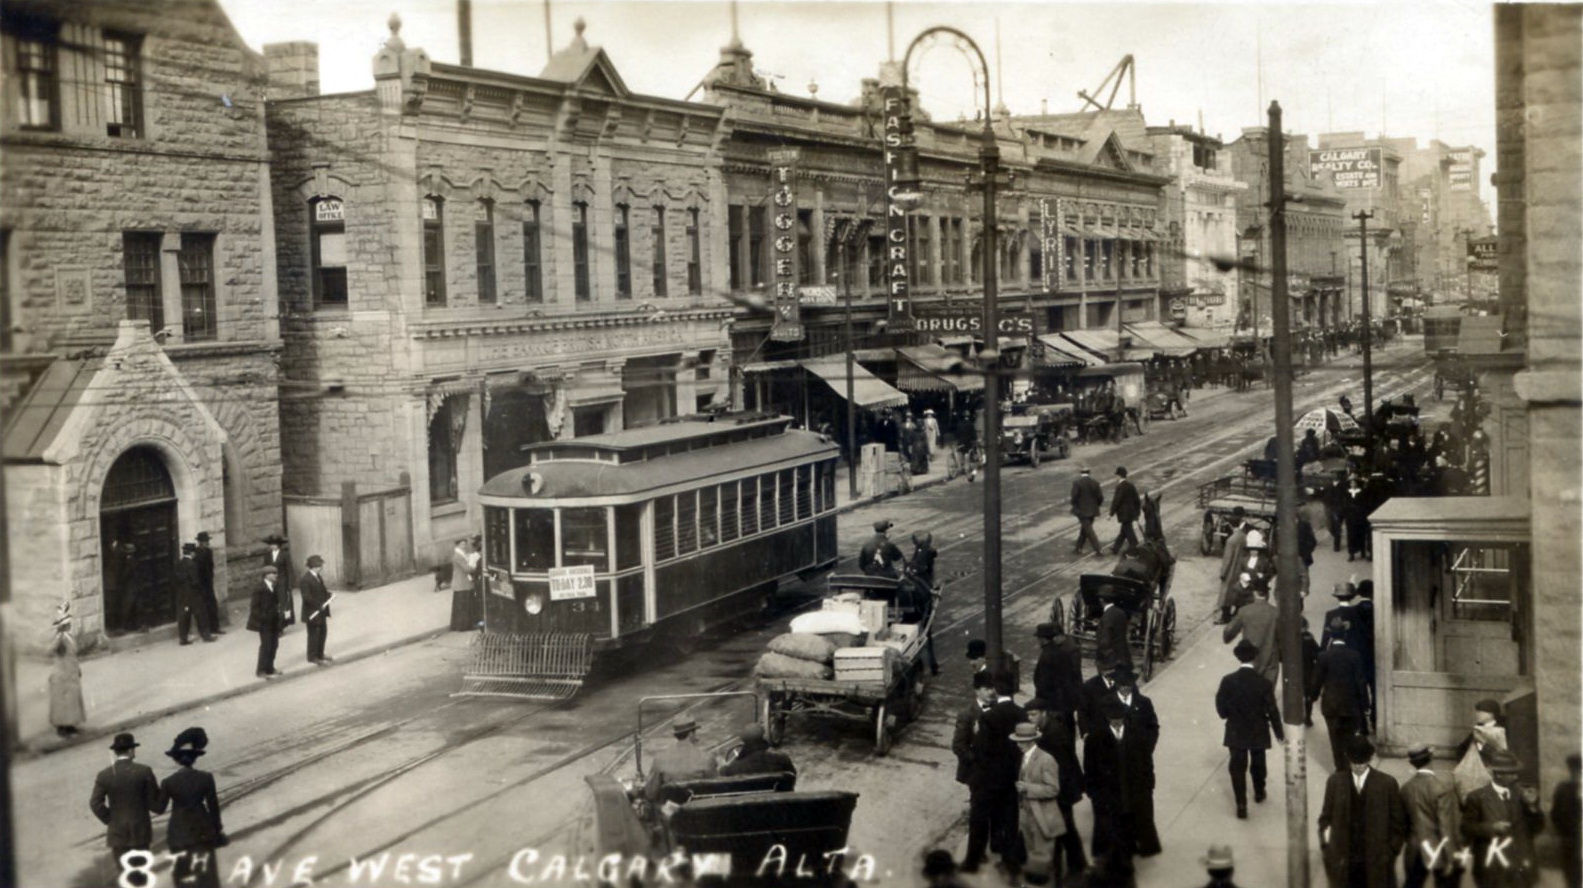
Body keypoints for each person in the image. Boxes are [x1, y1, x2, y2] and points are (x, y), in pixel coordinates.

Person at [1318, 736, 1409, 888]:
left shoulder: (1387, 784)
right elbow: (1326, 819)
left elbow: (1398, 823)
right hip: (1345, 861)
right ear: (1348, 759)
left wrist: (1390, 852)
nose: (1359, 766)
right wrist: (1328, 849)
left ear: (1370, 758)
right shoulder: (1335, 782)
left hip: (1377, 861)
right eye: (1355, 762)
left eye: (1363, 762)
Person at [962, 673, 1025, 875]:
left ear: (997, 691)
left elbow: (981, 748)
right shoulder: (1021, 714)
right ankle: (1010, 861)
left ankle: (972, 860)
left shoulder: (989, 717)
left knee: (979, 819)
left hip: (988, 777)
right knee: (1009, 819)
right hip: (1011, 776)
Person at [1215, 639, 1284, 819]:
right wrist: (1279, 733)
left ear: (1238, 658)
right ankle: (1259, 791)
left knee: (1237, 766)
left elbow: (1220, 705)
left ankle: (1241, 804)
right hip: (1258, 729)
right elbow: (1272, 710)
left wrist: (1227, 715)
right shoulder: (1264, 683)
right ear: (1254, 659)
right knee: (1258, 761)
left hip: (1236, 729)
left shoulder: (1228, 680)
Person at [1084, 697, 1158, 861]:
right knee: (1110, 821)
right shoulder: (1095, 739)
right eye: (1112, 720)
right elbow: (1089, 767)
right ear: (1107, 719)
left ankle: (1131, 846)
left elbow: (1147, 761)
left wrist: (1149, 783)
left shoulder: (1137, 735)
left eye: (1119, 720)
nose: (1116, 723)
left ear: (1124, 719)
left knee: (1131, 816)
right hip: (1108, 788)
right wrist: (1091, 790)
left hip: (1131, 785)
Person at [1024, 698, 1087, 879]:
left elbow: (1058, 767)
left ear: (1044, 713)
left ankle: (1062, 871)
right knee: (1065, 829)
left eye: (1034, 714)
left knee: (1059, 829)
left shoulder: (1053, 735)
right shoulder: (1050, 728)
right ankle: (1076, 866)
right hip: (1063, 788)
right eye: (1028, 715)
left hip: (1061, 790)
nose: (1030, 718)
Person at [1461, 751, 1544, 888]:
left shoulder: (1523, 795)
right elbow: (1466, 828)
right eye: (1511, 773)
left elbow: (1537, 828)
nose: (1515, 776)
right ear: (1498, 774)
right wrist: (1491, 828)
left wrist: (1532, 807)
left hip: (1521, 868)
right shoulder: (1477, 797)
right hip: (1493, 867)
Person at [90, 732, 164, 878]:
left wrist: (111, 820)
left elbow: (95, 803)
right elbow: (155, 805)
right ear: (130, 750)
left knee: (126, 877)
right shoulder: (144, 771)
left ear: (116, 752)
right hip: (140, 833)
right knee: (142, 876)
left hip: (117, 834)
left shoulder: (104, 774)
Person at [160, 728, 225, 888]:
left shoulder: (168, 782)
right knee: (207, 877)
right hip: (202, 831)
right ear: (195, 758)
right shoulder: (206, 778)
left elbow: (159, 807)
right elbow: (214, 809)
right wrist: (217, 831)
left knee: (183, 877)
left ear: (176, 760)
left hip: (178, 833)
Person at [1400, 742, 1462, 888]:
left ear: (1411, 763)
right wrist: (1452, 857)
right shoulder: (1442, 788)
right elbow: (1446, 826)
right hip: (1438, 849)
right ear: (1432, 757)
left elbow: (1404, 823)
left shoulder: (1406, 788)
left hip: (1414, 848)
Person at [1013, 721, 1063, 886]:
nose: (1018, 744)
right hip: (1026, 815)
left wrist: (1027, 788)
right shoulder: (1024, 757)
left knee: (1043, 861)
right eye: (1017, 741)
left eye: (1022, 741)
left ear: (1032, 740)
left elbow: (1053, 789)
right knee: (1032, 858)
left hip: (1042, 818)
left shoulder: (1046, 759)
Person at [1313, 637, 1370, 772]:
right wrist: (1365, 704)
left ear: (1331, 639)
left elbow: (1316, 680)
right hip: (1351, 704)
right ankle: (1349, 764)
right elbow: (1360, 682)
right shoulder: (1354, 656)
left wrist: (1313, 697)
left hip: (1331, 705)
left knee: (1335, 738)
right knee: (1349, 737)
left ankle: (1340, 768)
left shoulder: (1323, 656)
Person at [644, 716, 717, 805]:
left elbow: (650, 793)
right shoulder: (707, 758)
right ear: (691, 734)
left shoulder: (659, 759)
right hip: (698, 812)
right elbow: (715, 789)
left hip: (670, 814)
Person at [1222, 583, 1279, 687]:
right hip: (1270, 658)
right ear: (1267, 595)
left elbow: (1229, 630)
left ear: (1254, 594)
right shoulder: (1276, 612)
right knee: (1267, 693)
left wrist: (1227, 638)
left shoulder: (1245, 611)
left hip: (1250, 657)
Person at [1034, 622, 1084, 735]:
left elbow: (1043, 681)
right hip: (1064, 700)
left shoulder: (1047, 654)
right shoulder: (1060, 652)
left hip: (1053, 701)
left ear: (1043, 639)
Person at [48, 602, 85, 737]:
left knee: (71, 701)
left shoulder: (70, 638)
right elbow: (52, 649)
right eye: (68, 624)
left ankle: (70, 726)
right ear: (63, 626)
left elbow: (73, 655)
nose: (70, 625)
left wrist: (78, 668)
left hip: (71, 672)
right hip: (62, 674)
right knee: (63, 701)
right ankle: (62, 728)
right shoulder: (61, 639)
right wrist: (58, 633)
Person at [954, 671, 995, 787]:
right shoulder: (967, 714)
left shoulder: (998, 708)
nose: (991, 692)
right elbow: (958, 746)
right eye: (987, 689)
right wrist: (977, 761)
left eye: (992, 688)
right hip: (977, 771)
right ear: (977, 691)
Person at [247, 565, 285, 679]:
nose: (276, 575)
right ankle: (261, 670)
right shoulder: (259, 588)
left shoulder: (274, 586)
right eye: (273, 573)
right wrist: (264, 619)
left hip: (273, 621)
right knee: (266, 645)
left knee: (274, 645)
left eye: (276, 573)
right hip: (264, 623)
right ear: (266, 575)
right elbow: (254, 608)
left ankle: (270, 667)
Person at [719, 723, 795, 778]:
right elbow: (792, 775)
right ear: (763, 738)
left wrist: (724, 764)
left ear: (744, 741)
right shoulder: (782, 759)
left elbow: (722, 772)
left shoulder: (735, 767)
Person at [1215, 509, 1251, 624]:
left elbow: (1227, 560)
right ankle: (1237, 614)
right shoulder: (1243, 537)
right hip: (1240, 569)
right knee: (1238, 593)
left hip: (1231, 571)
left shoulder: (1231, 541)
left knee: (1226, 595)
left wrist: (1223, 573)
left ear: (1231, 525)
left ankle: (1225, 617)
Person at [1551, 753, 1581, 888]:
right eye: (1576, 770)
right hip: (1572, 840)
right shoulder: (1564, 789)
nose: (1578, 774)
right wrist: (1565, 833)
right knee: (1573, 877)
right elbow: (1556, 814)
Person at [175, 543, 214, 645]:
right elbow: (195, 581)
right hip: (193, 594)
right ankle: (206, 635)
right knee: (201, 614)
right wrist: (201, 591)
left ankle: (183, 638)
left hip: (183, 595)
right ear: (192, 553)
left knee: (184, 616)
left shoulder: (179, 563)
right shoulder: (192, 565)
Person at [299, 555, 333, 666]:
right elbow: (307, 597)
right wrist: (319, 605)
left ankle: (320, 653)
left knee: (323, 632)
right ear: (313, 567)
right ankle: (312, 657)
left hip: (321, 611)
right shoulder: (306, 579)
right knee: (314, 634)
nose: (321, 567)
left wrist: (329, 596)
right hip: (312, 612)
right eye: (319, 565)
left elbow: (322, 591)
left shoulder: (318, 577)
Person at [1094, 587, 1134, 676]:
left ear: (1101, 600)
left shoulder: (1106, 617)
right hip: (1124, 657)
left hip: (1111, 662)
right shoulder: (1121, 613)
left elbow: (1105, 641)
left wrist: (1102, 660)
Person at [261, 534, 296, 631]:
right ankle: (272, 625)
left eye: (274, 544)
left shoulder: (285, 555)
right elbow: (264, 570)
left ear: (279, 545)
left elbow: (289, 569)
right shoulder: (267, 555)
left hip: (282, 582)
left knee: (282, 604)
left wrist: (290, 584)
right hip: (271, 583)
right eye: (271, 544)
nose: (272, 546)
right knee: (272, 604)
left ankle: (280, 626)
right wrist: (264, 583)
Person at [1078, 666, 1120, 741]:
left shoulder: (1125, 683)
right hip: (1097, 734)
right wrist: (1085, 732)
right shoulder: (1089, 686)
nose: (1109, 672)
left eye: (1112, 668)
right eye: (1106, 668)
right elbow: (1082, 711)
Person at [1071, 468, 1106, 556]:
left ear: (1081, 473)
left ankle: (1098, 549)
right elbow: (1100, 497)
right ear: (1089, 473)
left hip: (1081, 511)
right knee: (1085, 529)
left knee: (1089, 530)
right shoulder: (1095, 483)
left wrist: (1076, 506)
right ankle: (1078, 548)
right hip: (1093, 510)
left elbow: (1074, 497)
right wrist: (1096, 505)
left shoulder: (1077, 483)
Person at [194, 531, 223, 636]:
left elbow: (211, 566)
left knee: (212, 605)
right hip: (201, 584)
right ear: (200, 542)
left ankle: (215, 627)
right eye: (205, 541)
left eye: (207, 541)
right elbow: (196, 570)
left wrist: (211, 578)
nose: (207, 543)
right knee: (204, 607)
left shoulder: (209, 552)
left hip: (208, 583)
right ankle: (206, 630)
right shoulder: (196, 553)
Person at [1109, 467, 1141, 555]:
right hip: (1131, 513)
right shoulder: (1131, 485)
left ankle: (1134, 544)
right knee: (1124, 530)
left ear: (1119, 476)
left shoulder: (1120, 487)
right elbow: (1137, 500)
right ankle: (1115, 547)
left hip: (1124, 514)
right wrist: (1137, 513)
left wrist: (1111, 514)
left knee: (1128, 530)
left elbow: (1116, 501)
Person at [449, 538, 479, 631]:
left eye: (465, 544)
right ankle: (463, 626)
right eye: (462, 544)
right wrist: (475, 564)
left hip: (463, 583)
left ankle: (460, 625)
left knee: (462, 606)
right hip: (462, 583)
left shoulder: (462, 555)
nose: (464, 546)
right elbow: (468, 569)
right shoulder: (458, 556)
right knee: (464, 606)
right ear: (457, 545)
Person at [1343, 476, 1372, 561]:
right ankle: (1351, 553)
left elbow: (1365, 504)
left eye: (1354, 482)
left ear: (1357, 483)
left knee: (1361, 534)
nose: (1353, 484)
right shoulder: (1347, 493)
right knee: (1351, 535)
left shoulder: (1362, 492)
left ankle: (1362, 551)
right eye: (1351, 483)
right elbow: (1344, 504)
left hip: (1360, 517)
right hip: (1350, 517)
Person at [1296, 511, 1319, 597]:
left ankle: (1300, 598)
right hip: (1290, 558)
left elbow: (1312, 541)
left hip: (1303, 557)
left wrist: (1306, 552)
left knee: (1303, 578)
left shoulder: (1305, 525)